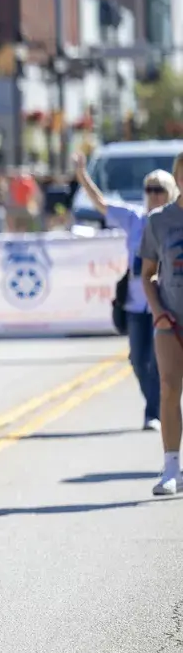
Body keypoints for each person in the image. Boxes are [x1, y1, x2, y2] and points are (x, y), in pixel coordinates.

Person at [75, 153, 173, 430]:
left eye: (159, 190)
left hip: (164, 302)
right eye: (149, 190)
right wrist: (82, 175)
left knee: (156, 361)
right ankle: (157, 405)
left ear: (170, 193)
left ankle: (154, 412)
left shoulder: (174, 222)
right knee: (137, 359)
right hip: (134, 302)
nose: (153, 195)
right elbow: (101, 204)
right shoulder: (134, 218)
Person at [139, 152, 183, 497]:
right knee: (169, 387)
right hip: (170, 317)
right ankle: (171, 468)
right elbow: (147, 273)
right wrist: (157, 310)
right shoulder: (159, 221)